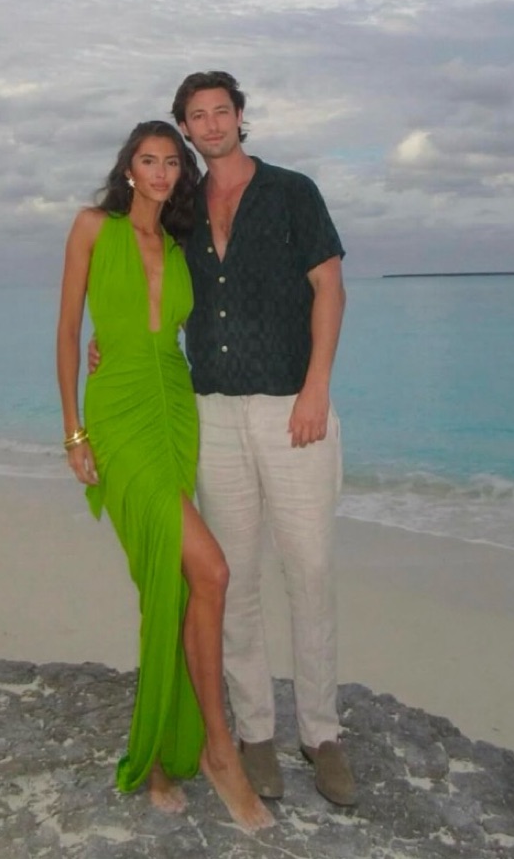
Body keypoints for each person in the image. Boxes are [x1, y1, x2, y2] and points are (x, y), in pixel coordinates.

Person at [56, 120, 274, 832]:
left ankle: (161, 753)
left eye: (171, 163)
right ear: (128, 168)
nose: (159, 172)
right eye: (148, 160)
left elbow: (205, 322)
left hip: (176, 410)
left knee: (172, 580)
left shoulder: (180, 246)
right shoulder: (93, 228)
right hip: (118, 417)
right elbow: (68, 332)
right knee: (210, 569)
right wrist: (74, 430)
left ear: (181, 174)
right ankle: (217, 749)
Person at [170, 71, 353, 807]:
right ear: (186, 128)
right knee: (233, 578)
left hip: (291, 406)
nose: (212, 124)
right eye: (198, 115)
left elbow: (329, 287)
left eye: (222, 111)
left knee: (310, 570)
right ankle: (255, 731)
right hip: (212, 413)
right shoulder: (182, 209)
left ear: (241, 117)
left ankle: (321, 733)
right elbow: (155, 292)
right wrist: (107, 346)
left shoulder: (292, 192)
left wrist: (316, 388)